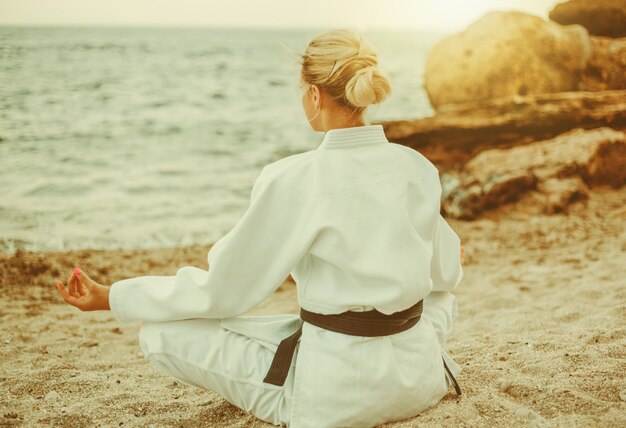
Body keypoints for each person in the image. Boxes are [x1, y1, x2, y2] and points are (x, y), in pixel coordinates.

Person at [54, 28, 465, 428]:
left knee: (159, 333)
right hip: (418, 377)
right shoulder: (416, 167)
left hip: (336, 398)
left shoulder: (294, 178)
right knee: (440, 297)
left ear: (314, 94)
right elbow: (447, 274)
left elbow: (225, 292)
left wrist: (114, 297)